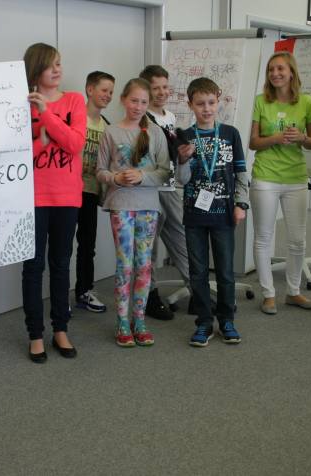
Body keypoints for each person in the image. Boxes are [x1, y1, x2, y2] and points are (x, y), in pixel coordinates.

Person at [23, 43, 87, 362]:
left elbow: (75, 144)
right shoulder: (21, 104)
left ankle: (60, 329)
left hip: (67, 196)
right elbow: (18, 155)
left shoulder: (74, 100)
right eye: (50, 65)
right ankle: (35, 333)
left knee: (61, 264)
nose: (57, 69)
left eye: (59, 63)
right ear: (36, 70)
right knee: (33, 266)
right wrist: (42, 141)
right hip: (32, 196)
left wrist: (46, 116)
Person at [175, 77, 249, 347]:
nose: (206, 109)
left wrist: (241, 204)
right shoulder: (185, 136)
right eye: (200, 104)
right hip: (194, 215)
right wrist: (183, 159)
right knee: (198, 272)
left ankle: (227, 319)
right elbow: (181, 179)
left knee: (226, 271)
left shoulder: (230, 134)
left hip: (224, 214)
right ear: (190, 105)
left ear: (218, 101)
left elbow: (241, 172)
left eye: (211, 102)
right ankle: (204, 322)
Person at [97, 78, 170, 347]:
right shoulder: (111, 132)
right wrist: (116, 178)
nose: (138, 106)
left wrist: (142, 177)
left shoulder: (156, 133)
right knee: (125, 265)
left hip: (148, 206)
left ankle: (139, 320)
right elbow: (100, 171)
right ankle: (122, 322)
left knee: (144, 264)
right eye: (134, 101)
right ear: (123, 100)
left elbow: (164, 172)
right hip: (121, 204)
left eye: (143, 102)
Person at [249, 51, 311, 315]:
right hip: (265, 176)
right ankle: (268, 294)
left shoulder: (307, 102)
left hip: (296, 177)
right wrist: (276, 138)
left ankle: (293, 292)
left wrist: (301, 138)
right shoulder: (260, 101)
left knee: (297, 240)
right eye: (271, 70)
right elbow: (253, 142)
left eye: (280, 69)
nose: (275, 74)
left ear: (291, 72)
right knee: (263, 238)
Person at [138, 65, 189, 320]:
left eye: (165, 87)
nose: (161, 92)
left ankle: (198, 290)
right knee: (150, 246)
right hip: (149, 189)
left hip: (170, 186)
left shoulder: (169, 116)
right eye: (155, 88)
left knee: (181, 235)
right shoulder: (142, 118)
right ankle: (150, 295)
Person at [74, 71, 115, 313]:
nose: (108, 95)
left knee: (87, 244)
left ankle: (84, 291)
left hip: (90, 192)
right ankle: (57, 295)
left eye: (111, 92)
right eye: (104, 90)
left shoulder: (107, 126)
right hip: (69, 191)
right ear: (90, 89)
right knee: (61, 247)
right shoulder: (74, 117)